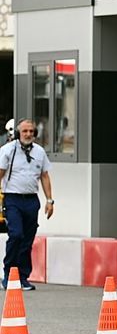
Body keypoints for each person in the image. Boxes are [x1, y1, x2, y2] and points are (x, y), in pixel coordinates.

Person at [0, 119, 54, 290]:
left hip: (31, 200)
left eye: (31, 131)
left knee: (27, 239)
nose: (28, 134)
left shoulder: (39, 152)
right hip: (13, 198)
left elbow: (44, 176)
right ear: (18, 133)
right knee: (16, 234)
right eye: (25, 131)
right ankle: (8, 273)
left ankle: (23, 276)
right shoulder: (8, 150)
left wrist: (50, 200)